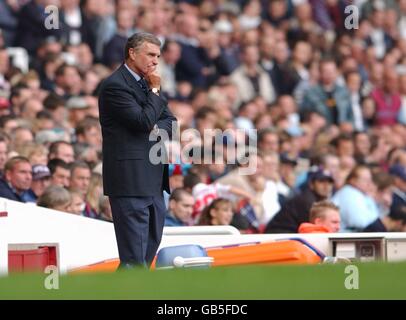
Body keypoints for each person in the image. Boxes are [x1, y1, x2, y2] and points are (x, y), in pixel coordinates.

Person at [98, 32, 176, 269]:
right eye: (150, 54)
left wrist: (151, 124)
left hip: (153, 180)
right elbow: (142, 122)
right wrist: (153, 95)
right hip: (129, 181)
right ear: (132, 53)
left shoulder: (145, 84)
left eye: (158, 56)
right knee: (134, 260)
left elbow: (170, 122)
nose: (155, 61)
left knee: (144, 256)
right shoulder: (115, 85)